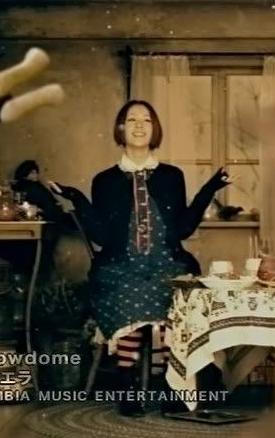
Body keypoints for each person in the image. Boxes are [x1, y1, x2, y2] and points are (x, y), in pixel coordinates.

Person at [49, 100, 236, 415]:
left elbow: (183, 228)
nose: (139, 125)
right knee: (135, 293)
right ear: (121, 129)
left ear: (155, 129)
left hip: (167, 264)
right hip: (120, 268)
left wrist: (211, 188)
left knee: (175, 301)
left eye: (146, 120)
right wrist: (75, 197)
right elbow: (102, 236)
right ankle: (127, 383)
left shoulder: (172, 176)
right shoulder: (104, 181)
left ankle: (169, 384)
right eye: (132, 119)